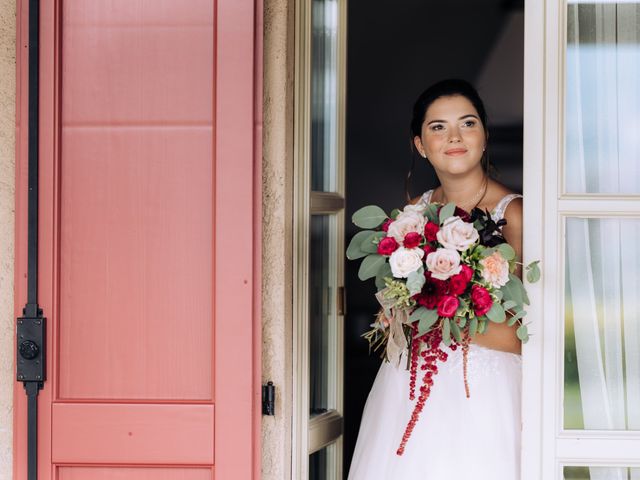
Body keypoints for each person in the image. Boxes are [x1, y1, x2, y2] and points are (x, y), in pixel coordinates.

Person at [347, 79, 524, 480]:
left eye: (468, 123)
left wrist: (436, 313)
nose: (455, 137)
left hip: (485, 391)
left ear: (484, 136)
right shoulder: (413, 212)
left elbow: (520, 331)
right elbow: (394, 308)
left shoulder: (515, 214)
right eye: (438, 127)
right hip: (408, 387)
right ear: (421, 145)